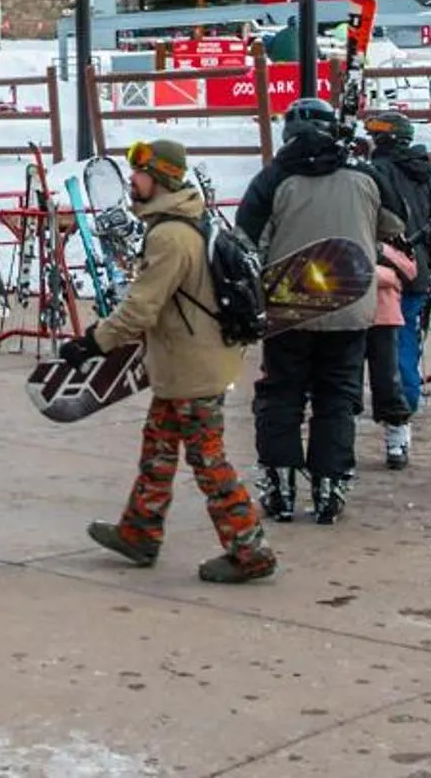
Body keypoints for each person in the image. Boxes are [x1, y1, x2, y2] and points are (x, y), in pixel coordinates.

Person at [62, 140, 275, 584]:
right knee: (158, 450)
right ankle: (139, 533)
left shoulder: (170, 236)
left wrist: (93, 343)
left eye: (138, 173)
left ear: (158, 178)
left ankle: (249, 550)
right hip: (185, 365)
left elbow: (141, 308)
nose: (131, 181)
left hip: (193, 370)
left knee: (207, 460)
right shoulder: (187, 219)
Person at [234, 98, 379, 526]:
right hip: (350, 300)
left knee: (281, 392)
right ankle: (330, 483)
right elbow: (394, 223)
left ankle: (279, 482)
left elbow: (245, 240)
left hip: (290, 306)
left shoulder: (273, 179)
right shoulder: (363, 176)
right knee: (337, 395)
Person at [360, 112, 431, 467]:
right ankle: (405, 402)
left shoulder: (375, 173)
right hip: (416, 269)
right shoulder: (423, 174)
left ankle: (382, 407)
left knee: (374, 345)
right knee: (405, 340)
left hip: (382, 270)